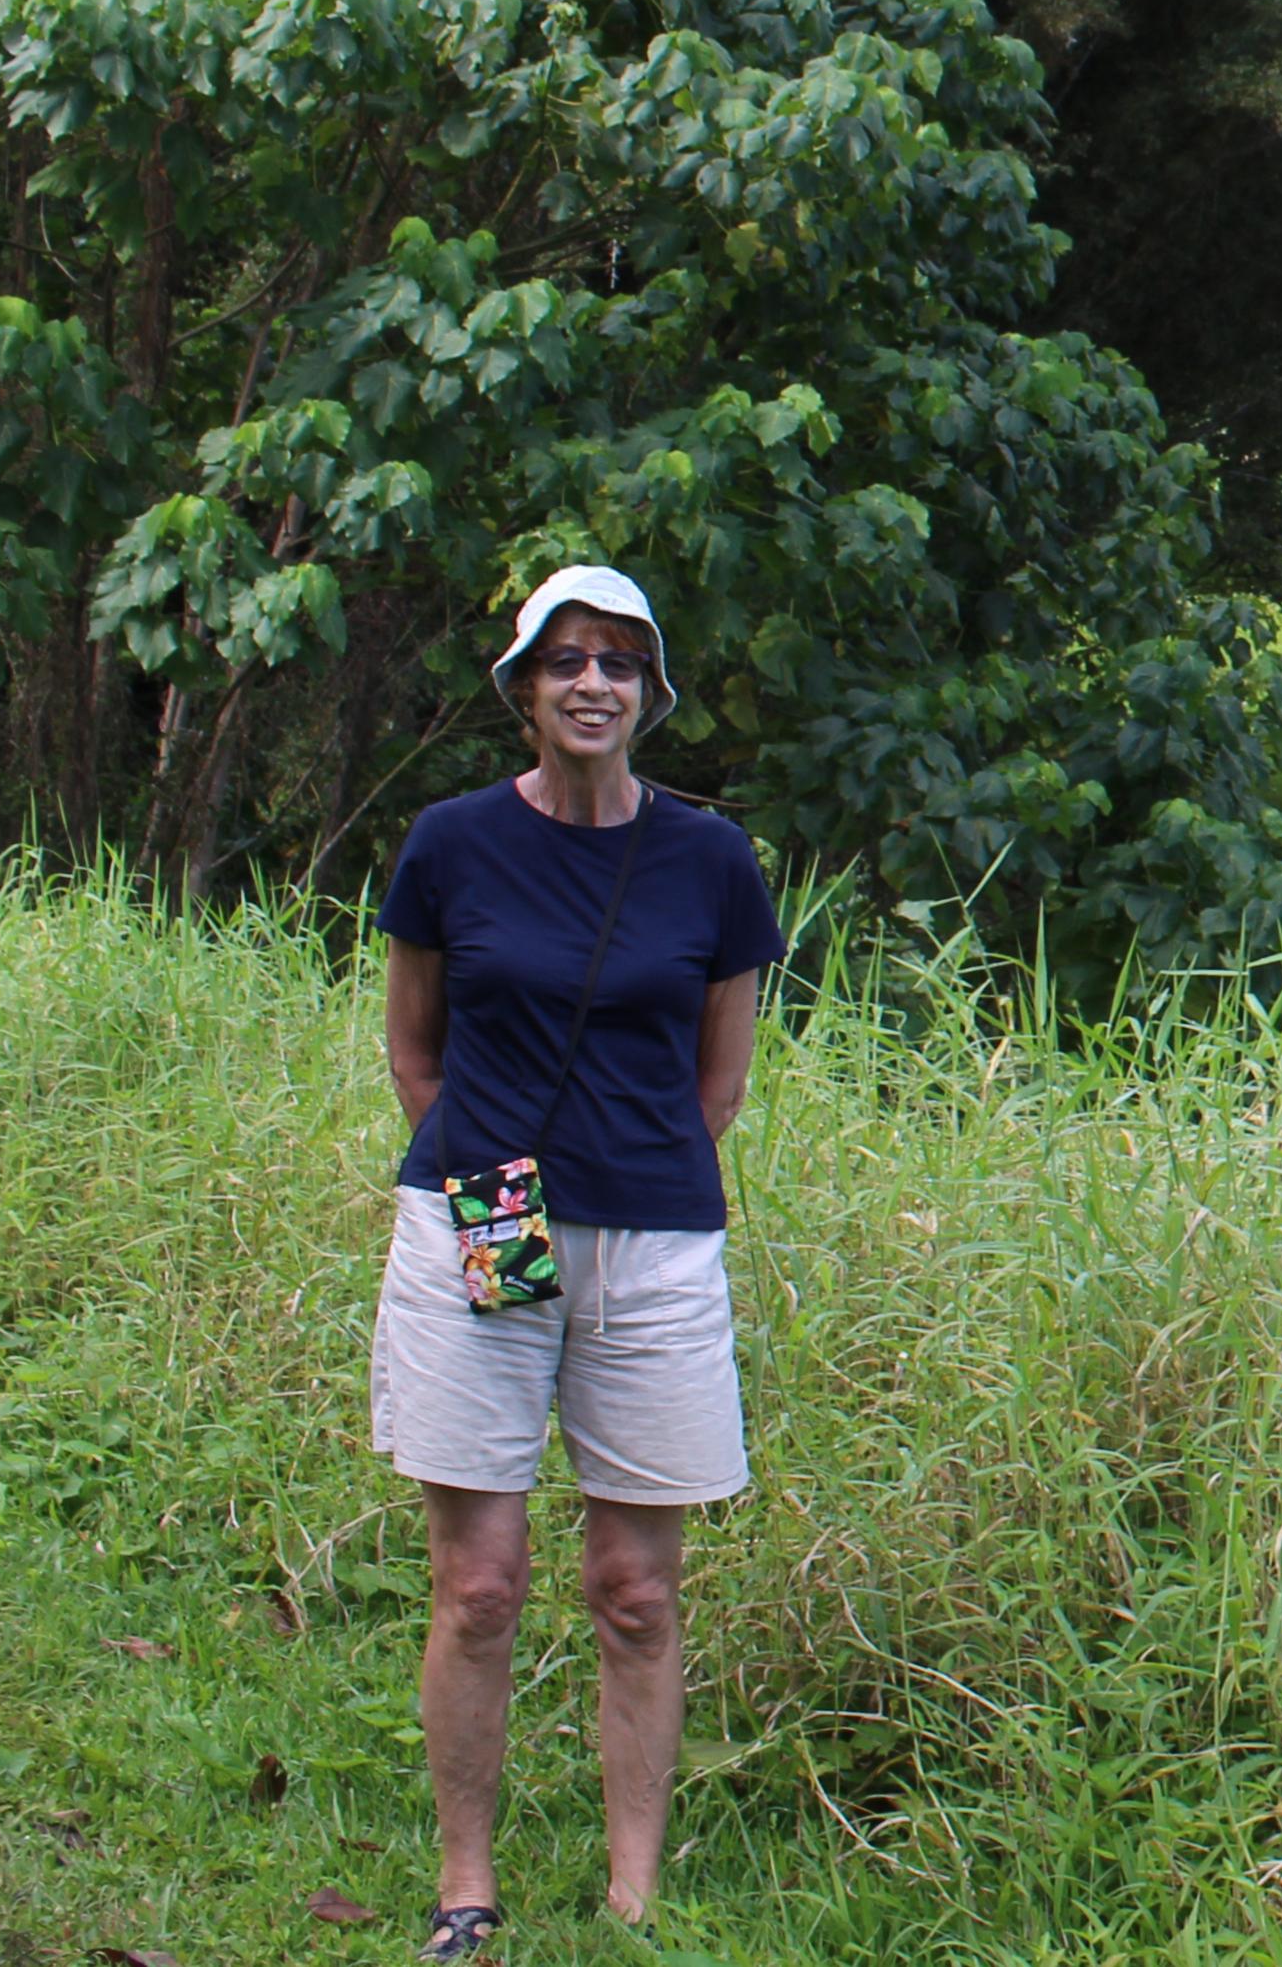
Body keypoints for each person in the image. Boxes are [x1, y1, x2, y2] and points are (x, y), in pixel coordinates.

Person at [375, 563, 783, 1961]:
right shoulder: (451, 842)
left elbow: (716, 1082)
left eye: (618, 660)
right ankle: (466, 1884)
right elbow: (413, 1047)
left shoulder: (711, 860)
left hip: (656, 1235)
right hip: (491, 1212)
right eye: (566, 661)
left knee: (636, 1583)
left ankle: (630, 1897)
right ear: (524, 688)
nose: (592, 682)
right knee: (481, 1578)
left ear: (650, 690)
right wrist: (497, 1188)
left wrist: (622, 1181)